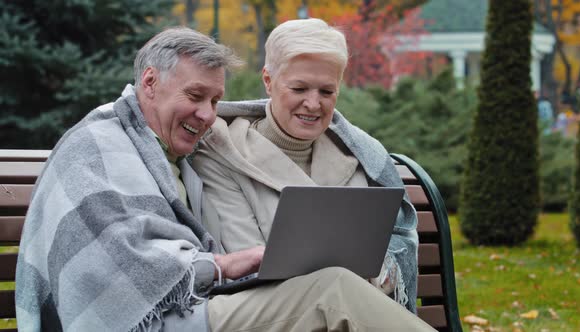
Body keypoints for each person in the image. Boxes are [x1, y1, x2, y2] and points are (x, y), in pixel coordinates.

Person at [15, 26, 434, 332]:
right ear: (149, 83)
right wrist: (218, 266)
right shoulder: (97, 145)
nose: (207, 115)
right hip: (157, 319)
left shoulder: (171, 154)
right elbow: (118, 262)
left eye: (215, 100)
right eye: (195, 96)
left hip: (192, 310)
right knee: (334, 291)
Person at [192, 18, 430, 329]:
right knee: (337, 289)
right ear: (268, 80)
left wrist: (378, 270)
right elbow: (247, 270)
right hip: (281, 319)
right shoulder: (222, 155)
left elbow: (389, 261)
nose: (313, 104)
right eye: (299, 88)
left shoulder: (357, 157)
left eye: (327, 91)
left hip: (350, 319)